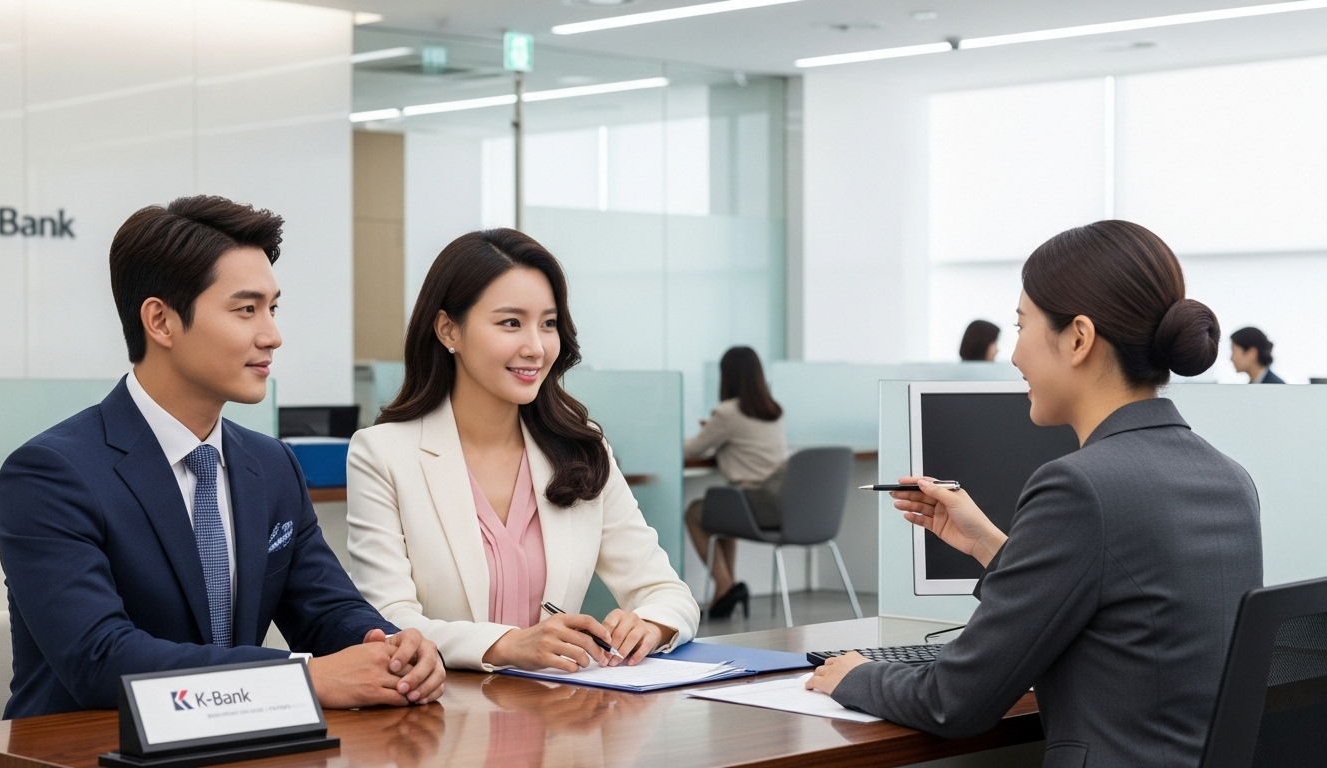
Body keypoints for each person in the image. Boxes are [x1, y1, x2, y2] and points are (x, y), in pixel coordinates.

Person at [807, 220, 1262, 768]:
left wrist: (855, 674)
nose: (1015, 355)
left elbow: (953, 701)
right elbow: (1122, 611)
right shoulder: (1230, 479)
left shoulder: (1081, 488)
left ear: (1078, 339)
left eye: (1022, 325)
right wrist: (989, 545)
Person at [0, 196, 445, 719]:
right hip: (81, 746)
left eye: (272, 309)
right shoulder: (51, 474)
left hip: (237, 740)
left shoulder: (271, 465)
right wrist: (302, 677)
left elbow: (326, 609)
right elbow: (100, 660)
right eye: (246, 309)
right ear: (161, 322)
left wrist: (396, 649)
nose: (272, 336)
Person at [346, 229, 699, 673]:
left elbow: (668, 593)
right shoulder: (382, 454)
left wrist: (649, 624)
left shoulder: (581, 450)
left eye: (548, 323)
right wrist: (506, 645)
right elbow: (388, 620)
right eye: (511, 323)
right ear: (448, 329)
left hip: (562, 707)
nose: (536, 347)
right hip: (443, 707)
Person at [682, 346, 787, 619]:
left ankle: (725, 584)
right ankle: (726, 588)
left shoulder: (728, 412)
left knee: (694, 512)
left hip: (754, 503)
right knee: (723, 512)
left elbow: (691, 449)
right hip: (782, 503)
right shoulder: (773, 410)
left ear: (726, 376)